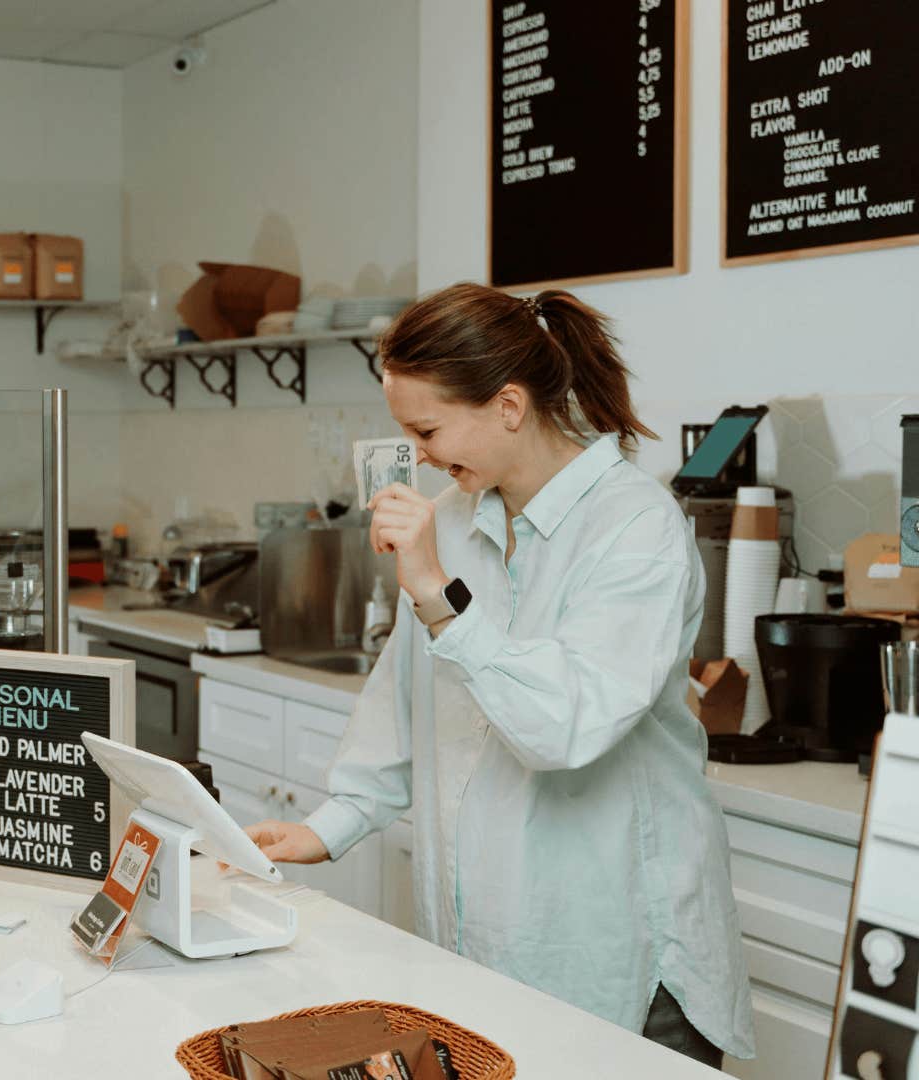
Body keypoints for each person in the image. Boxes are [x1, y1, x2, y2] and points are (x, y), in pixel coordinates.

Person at [243, 283, 754, 1067]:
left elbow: (565, 728)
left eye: (428, 428)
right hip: (481, 955)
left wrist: (440, 601)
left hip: (621, 961)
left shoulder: (636, 528)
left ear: (508, 407)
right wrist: (329, 825)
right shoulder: (452, 517)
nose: (417, 453)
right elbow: (406, 696)